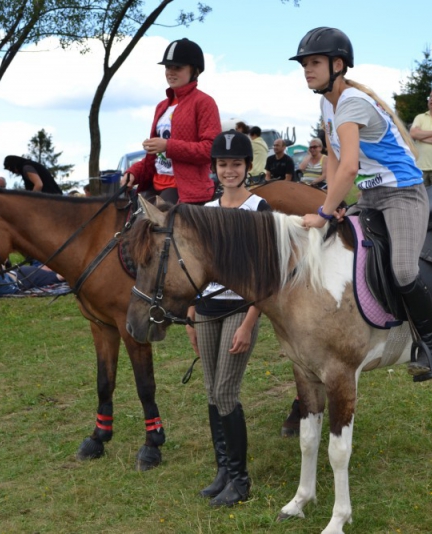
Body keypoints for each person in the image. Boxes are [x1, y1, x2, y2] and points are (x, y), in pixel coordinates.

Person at [293, 27, 432, 381]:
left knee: (405, 271)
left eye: (314, 63)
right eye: (304, 64)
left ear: (338, 64)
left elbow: (349, 165)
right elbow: (333, 157)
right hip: (370, 196)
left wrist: (323, 213)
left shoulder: (352, 102)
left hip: (403, 193)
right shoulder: (326, 103)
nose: (307, 70)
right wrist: (336, 199)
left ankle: (431, 349)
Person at [186, 131, 270, 507]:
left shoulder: (259, 209)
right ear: (215, 168)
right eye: (223, 164)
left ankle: (240, 478)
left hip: (239, 309)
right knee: (210, 391)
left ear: (247, 167)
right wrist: (190, 312)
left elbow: (266, 274)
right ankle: (222, 470)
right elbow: (197, 268)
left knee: (225, 393)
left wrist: (250, 323)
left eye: (236, 164)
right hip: (205, 310)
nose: (230, 170)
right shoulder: (205, 210)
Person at [120, 38, 220, 205]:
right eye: (168, 67)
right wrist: (133, 173)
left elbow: (210, 149)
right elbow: (157, 158)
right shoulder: (162, 106)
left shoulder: (204, 102)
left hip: (184, 190)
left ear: (195, 71)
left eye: (178, 67)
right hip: (155, 185)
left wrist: (168, 146)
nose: (170, 72)